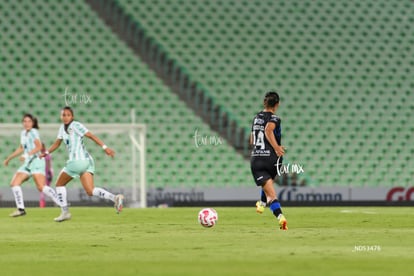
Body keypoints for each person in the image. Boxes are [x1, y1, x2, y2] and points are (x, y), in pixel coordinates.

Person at [44, 106, 124, 222]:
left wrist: (105, 147)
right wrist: (46, 152)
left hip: (77, 162)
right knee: (90, 191)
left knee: (59, 185)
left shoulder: (76, 125)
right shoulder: (62, 128)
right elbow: (57, 144)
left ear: (72, 116)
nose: (66, 117)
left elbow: (91, 135)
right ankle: (115, 198)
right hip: (87, 162)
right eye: (63, 115)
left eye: (68, 115)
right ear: (61, 116)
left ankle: (65, 212)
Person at [3, 114, 62, 217]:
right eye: (25, 121)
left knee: (41, 187)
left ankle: (61, 203)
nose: (26, 123)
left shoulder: (34, 132)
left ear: (33, 123)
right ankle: (21, 209)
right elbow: (21, 148)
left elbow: (39, 147)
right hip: (28, 163)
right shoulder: (23, 133)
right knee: (14, 183)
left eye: (29, 121)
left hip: (36, 161)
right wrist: (9, 158)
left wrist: (26, 155)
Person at [250, 92, 288, 230]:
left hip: (257, 158)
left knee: (269, 191)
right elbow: (268, 130)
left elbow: (252, 140)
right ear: (277, 105)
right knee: (269, 185)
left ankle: (279, 217)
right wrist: (276, 147)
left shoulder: (255, 118)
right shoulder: (275, 118)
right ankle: (262, 203)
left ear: (264, 103)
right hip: (272, 159)